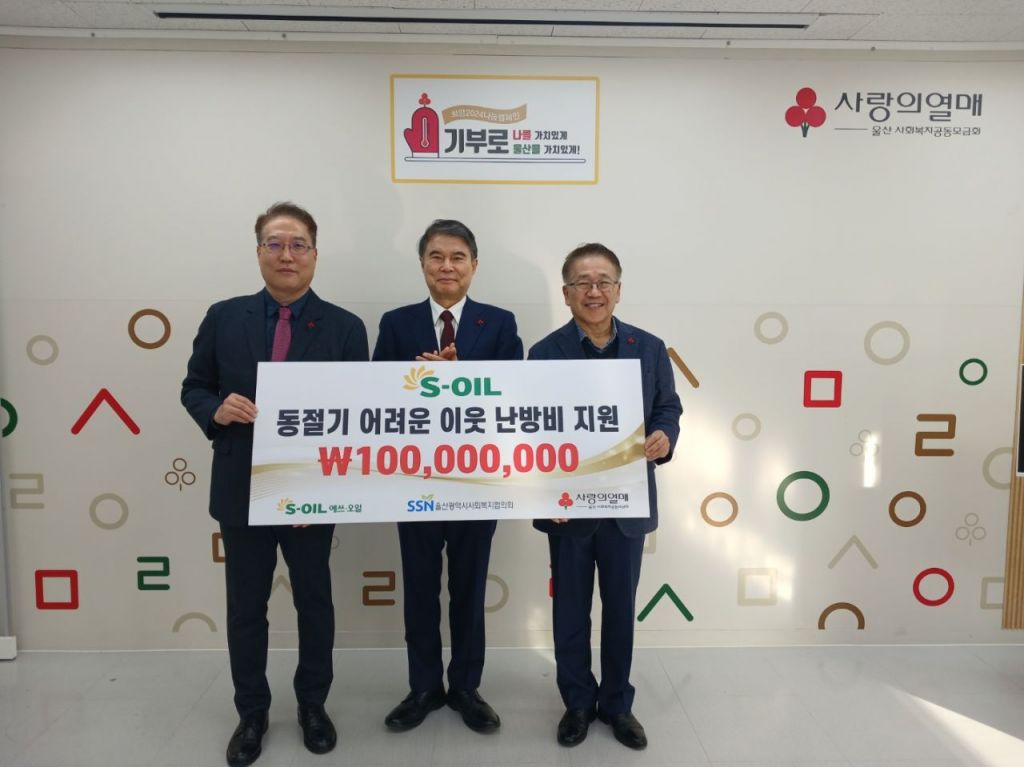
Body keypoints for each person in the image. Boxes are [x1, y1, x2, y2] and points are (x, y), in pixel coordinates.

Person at [181, 202, 369, 767]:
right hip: (241, 487)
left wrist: (329, 487)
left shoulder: (345, 327)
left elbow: (359, 413)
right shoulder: (223, 317)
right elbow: (194, 386)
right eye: (275, 243)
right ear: (259, 250)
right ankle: (252, 712)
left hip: (313, 488)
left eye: (298, 244)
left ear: (314, 253)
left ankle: (313, 705)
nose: (287, 255)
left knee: (315, 601)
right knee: (246, 607)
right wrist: (216, 411)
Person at [529, 243, 682, 751]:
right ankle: (577, 702)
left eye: (603, 282)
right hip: (567, 507)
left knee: (620, 611)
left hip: (626, 506)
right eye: (582, 283)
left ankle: (617, 704)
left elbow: (668, 406)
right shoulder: (544, 353)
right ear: (566, 292)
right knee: (570, 613)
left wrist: (663, 436)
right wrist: (543, 486)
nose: (593, 292)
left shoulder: (649, 347)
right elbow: (529, 426)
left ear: (618, 289)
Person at [373, 219, 523, 734]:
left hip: (478, 482)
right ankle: (422, 687)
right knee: (419, 589)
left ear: (474, 266)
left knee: (469, 589)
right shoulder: (396, 323)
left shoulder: (499, 323)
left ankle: (465, 688)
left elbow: (516, 394)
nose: (447, 266)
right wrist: (418, 382)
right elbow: (374, 396)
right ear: (422, 264)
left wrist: (463, 379)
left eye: (458, 257)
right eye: (436, 256)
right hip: (414, 480)